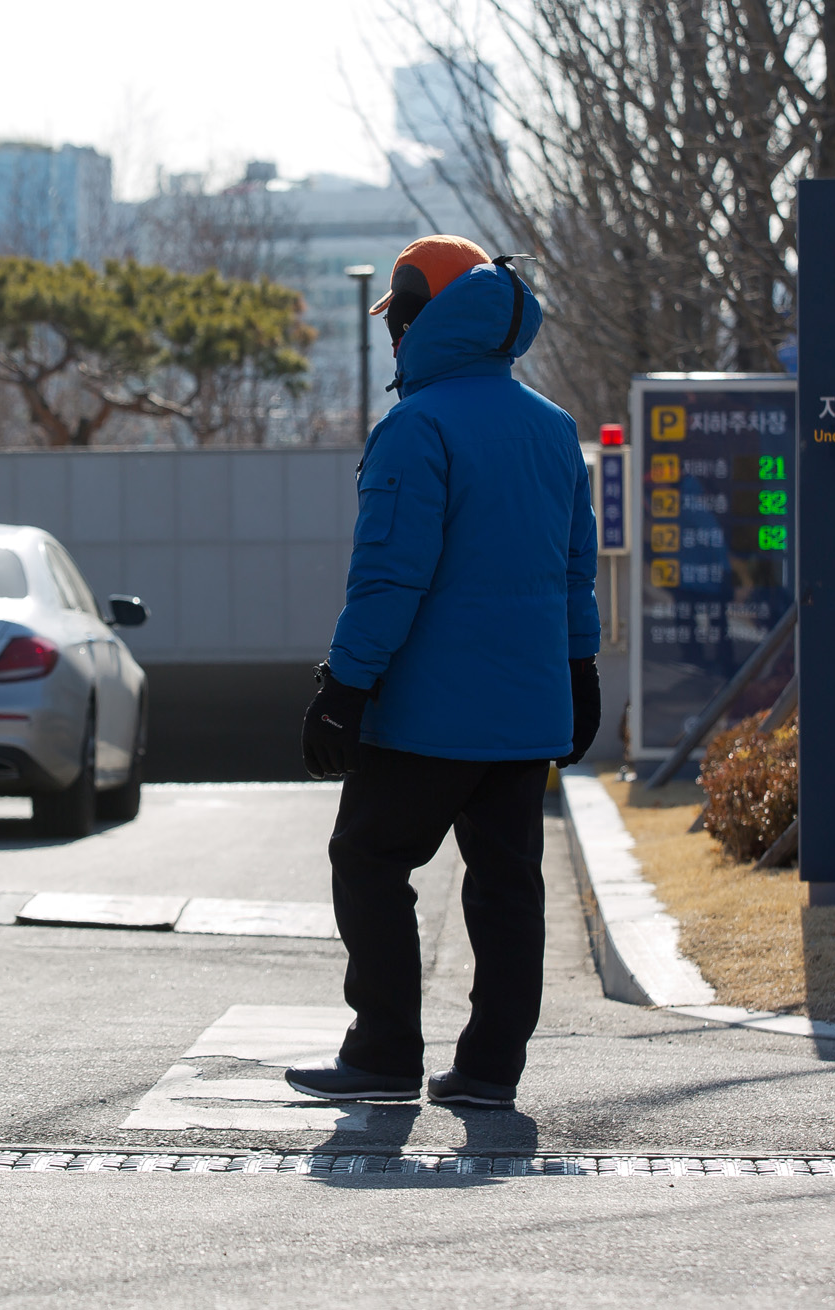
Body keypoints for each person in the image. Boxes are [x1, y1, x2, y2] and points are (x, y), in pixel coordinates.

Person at [288, 235, 600, 1111]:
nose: (393, 335)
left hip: (427, 712)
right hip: (528, 710)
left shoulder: (417, 427)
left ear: (426, 318)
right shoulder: (553, 428)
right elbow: (573, 572)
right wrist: (581, 672)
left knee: (369, 857)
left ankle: (384, 1050)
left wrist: (343, 689)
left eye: (400, 315)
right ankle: (491, 1070)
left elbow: (390, 577)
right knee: (508, 886)